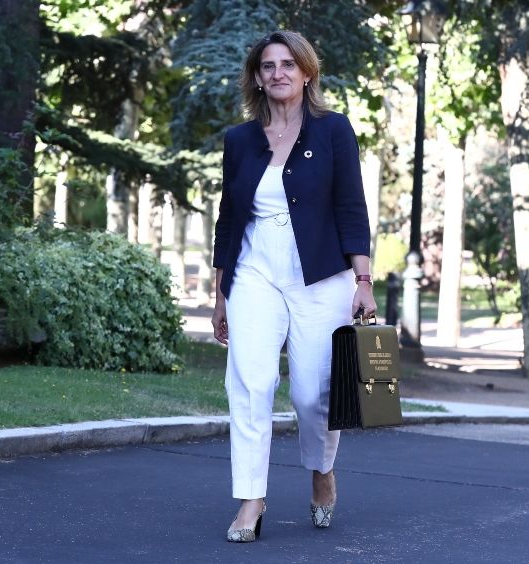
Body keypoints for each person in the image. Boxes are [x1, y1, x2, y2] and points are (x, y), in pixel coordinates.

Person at [211, 30, 376, 543]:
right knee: (250, 382)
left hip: (321, 273)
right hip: (254, 271)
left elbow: (351, 207)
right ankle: (250, 499)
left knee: (312, 392)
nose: (278, 73)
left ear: (307, 73)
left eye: (288, 64)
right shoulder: (239, 140)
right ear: (257, 79)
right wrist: (220, 293)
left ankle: (321, 469)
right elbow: (228, 219)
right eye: (268, 66)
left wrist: (364, 280)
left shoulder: (334, 130)